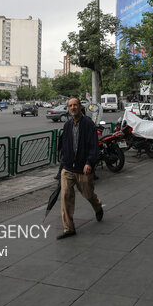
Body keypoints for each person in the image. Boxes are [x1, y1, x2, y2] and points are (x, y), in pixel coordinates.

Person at [57, 97, 103, 240]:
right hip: (68, 168)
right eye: (70, 106)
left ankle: (98, 206)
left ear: (80, 107)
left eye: (75, 105)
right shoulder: (67, 125)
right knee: (65, 197)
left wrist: (89, 162)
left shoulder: (88, 124)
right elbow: (64, 146)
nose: (73, 107)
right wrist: (63, 164)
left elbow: (94, 146)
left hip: (83, 168)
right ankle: (69, 228)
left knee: (88, 194)